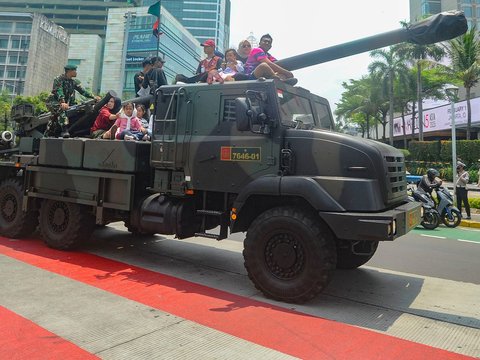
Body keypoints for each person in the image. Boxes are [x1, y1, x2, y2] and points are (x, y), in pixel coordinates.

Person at [45, 64, 100, 138]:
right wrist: (62, 102)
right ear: (69, 71)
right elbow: (58, 90)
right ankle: (64, 130)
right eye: (75, 71)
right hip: (53, 102)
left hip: (66, 103)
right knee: (61, 109)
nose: (76, 72)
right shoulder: (58, 79)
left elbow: (83, 91)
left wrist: (93, 97)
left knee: (78, 110)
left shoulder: (73, 82)